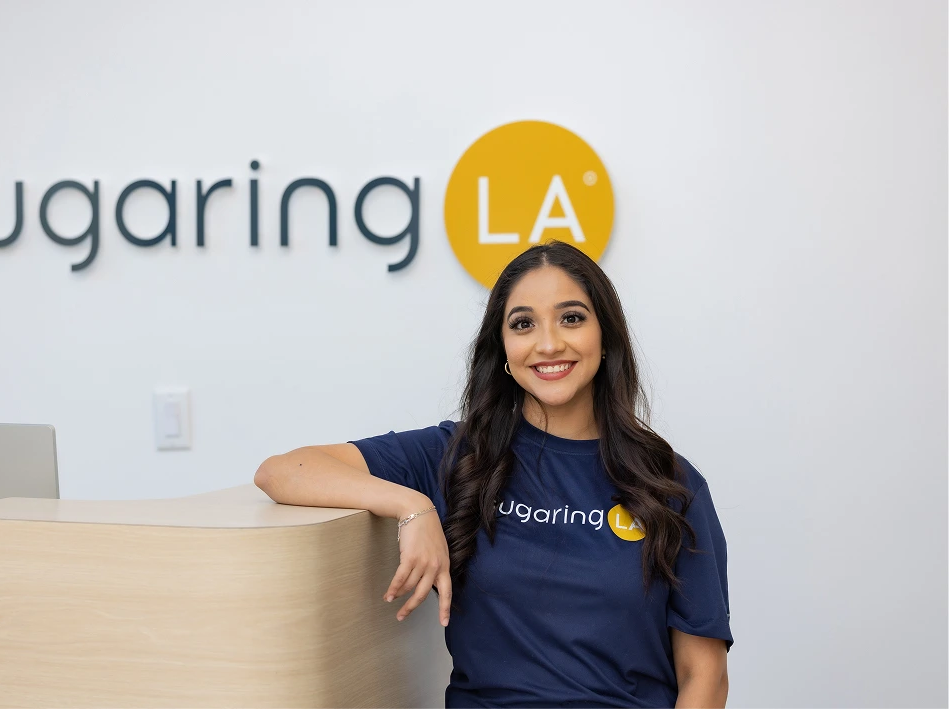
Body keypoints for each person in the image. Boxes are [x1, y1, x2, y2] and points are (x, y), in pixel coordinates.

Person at [255, 241, 732, 708]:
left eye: (572, 318)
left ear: (604, 337)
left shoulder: (671, 484)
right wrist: (412, 506)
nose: (549, 343)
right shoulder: (458, 455)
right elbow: (283, 471)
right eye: (523, 324)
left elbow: (704, 678)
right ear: (502, 349)